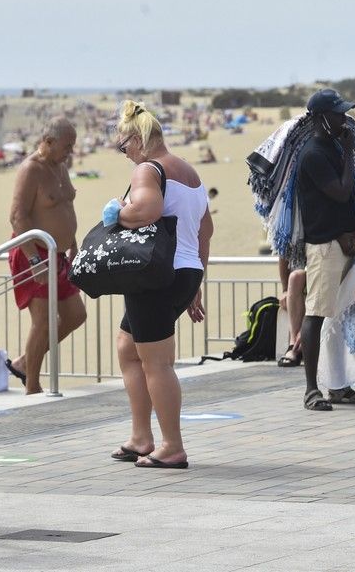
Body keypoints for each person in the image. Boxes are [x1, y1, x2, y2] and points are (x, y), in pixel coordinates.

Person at [108, 100, 211, 470]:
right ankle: (141, 436)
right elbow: (205, 230)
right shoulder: (190, 172)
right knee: (127, 346)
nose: (125, 155)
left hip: (156, 276)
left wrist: (115, 213)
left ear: (138, 139)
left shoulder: (147, 171)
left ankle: (172, 445)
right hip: (184, 271)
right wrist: (196, 280)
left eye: (124, 147)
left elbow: (146, 211)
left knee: (158, 363)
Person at [295, 89, 355, 411]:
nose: (345, 119)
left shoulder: (331, 147)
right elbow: (341, 193)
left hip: (342, 242)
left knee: (338, 317)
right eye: (338, 114)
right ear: (320, 118)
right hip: (324, 247)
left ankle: (339, 386)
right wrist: (349, 155)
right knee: (316, 313)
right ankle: (311, 389)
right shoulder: (314, 153)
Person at [6, 117, 87, 394]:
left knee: (76, 315)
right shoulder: (31, 169)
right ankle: (33, 386)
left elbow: (62, 208)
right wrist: (33, 260)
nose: (71, 151)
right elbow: (17, 216)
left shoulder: (60, 166)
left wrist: (72, 242)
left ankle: (26, 361)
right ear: (49, 142)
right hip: (34, 252)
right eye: (67, 145)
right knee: (42, 321)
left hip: (58, 252)